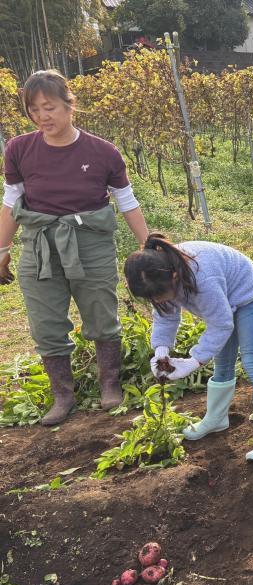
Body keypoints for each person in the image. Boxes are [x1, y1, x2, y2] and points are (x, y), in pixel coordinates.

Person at [0, 70, 149, 426]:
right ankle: (62, 394)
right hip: (39, 246)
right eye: (34, 109)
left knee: (100, 312)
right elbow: (11, 202)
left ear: (70, 105)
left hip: (90, 244)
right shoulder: (19, 149)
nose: (42, 116)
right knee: (45, 321)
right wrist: (2, 248)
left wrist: (149, 244)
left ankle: (109, 383)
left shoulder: (102, 152)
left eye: (49, 107)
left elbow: (126, 201)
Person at [124, 234, 253, 461]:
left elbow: (221, 324)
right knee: (222, 365)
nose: (159, 301)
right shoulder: (158, 276)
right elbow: (165, 317)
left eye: (160, 296)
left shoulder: (203, 278)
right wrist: (161, 350)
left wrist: (194, 361)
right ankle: (216, 419)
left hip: (247, 293)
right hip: (222, 301)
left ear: (174, 277)